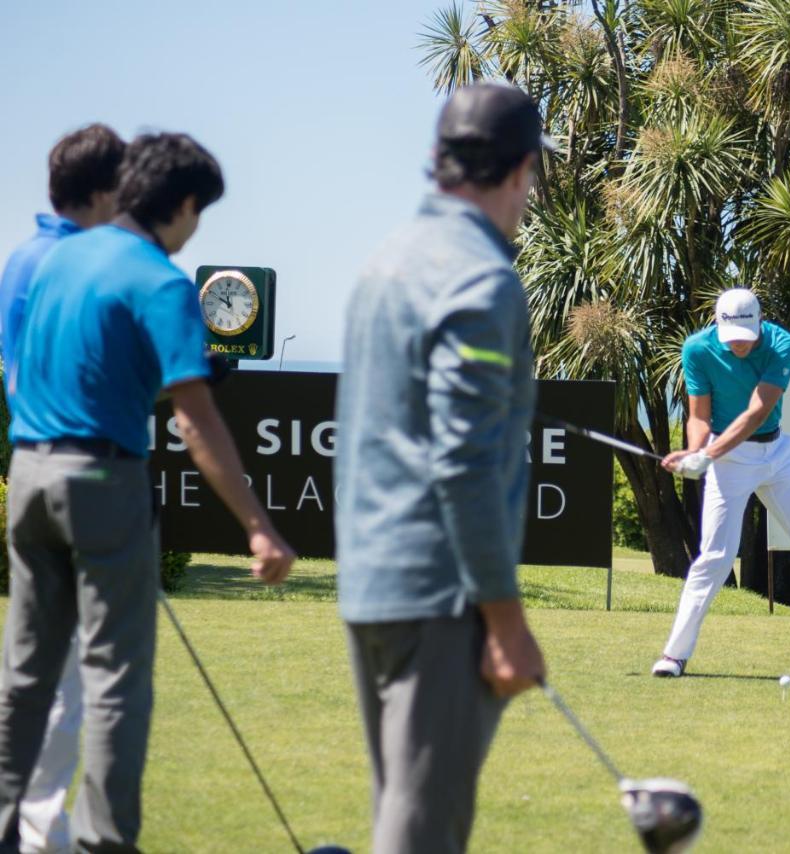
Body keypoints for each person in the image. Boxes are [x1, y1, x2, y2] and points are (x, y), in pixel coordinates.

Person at [0, 132, 296, 852]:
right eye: (201, 213)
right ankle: (105, 843)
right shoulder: (160, 280)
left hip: (29, 474)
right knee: (114, 680)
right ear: (184, 205)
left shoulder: (56, 256)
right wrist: (258, 527)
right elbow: (198, 425)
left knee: (27, 674)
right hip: (103, 479)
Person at [336, 82, 553, 853]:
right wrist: (505, 620)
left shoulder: (384, 260)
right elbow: (461, 464)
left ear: (438, 160)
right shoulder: (480, 278)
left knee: (399, 807)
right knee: (422, 829)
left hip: (370, 582)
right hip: (439, 593)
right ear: (523, 169)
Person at [0, 123, 124, 854]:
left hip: (28, 465)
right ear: (106, 190)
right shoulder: (84, 263)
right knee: (81, 675)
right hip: (82, 469)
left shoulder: (21, 258)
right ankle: (47, 831)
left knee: (27, 667)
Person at [653, 289, 790, 681]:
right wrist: (695, 451)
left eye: (746, 334)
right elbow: (699, 416)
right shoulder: (697, 350)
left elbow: (758, 413)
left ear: (759, 321)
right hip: (729, 462)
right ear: (717, 324)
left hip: (777, 455)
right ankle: (674, 655)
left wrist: (705, 456)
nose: (740, 343)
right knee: (715, 557)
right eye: (732, 336)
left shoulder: (781, 344)